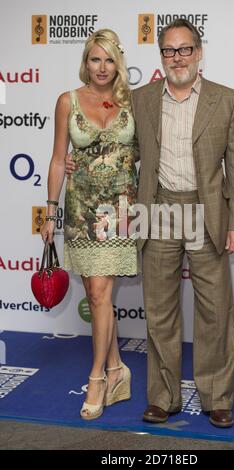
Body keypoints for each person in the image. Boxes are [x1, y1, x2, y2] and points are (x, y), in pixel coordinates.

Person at [66, 19, 234, 428]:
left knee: (215, 310)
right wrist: (75, 160)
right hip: (159, 210)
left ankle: (217, 397)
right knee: (160, 310)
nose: (177, 57)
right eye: (169, 51)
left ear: (199, 53)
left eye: (185, 49)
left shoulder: (227, 99)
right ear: (161, 57)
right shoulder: (142, 98)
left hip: (207, 213)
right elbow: (116, 142)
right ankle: (162, 398)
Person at [41, 29, 139, 420]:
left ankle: (97, 376)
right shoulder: (67, 101)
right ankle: (117, 368)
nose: (102, 67)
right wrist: (50, 212)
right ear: (86, 61)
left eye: (109, 59)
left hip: (118, 212)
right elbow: (55, 158)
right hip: (81, 210)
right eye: (95, 59)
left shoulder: (134, 103)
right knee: (98, 296)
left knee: (100, 294)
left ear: (119, 64)